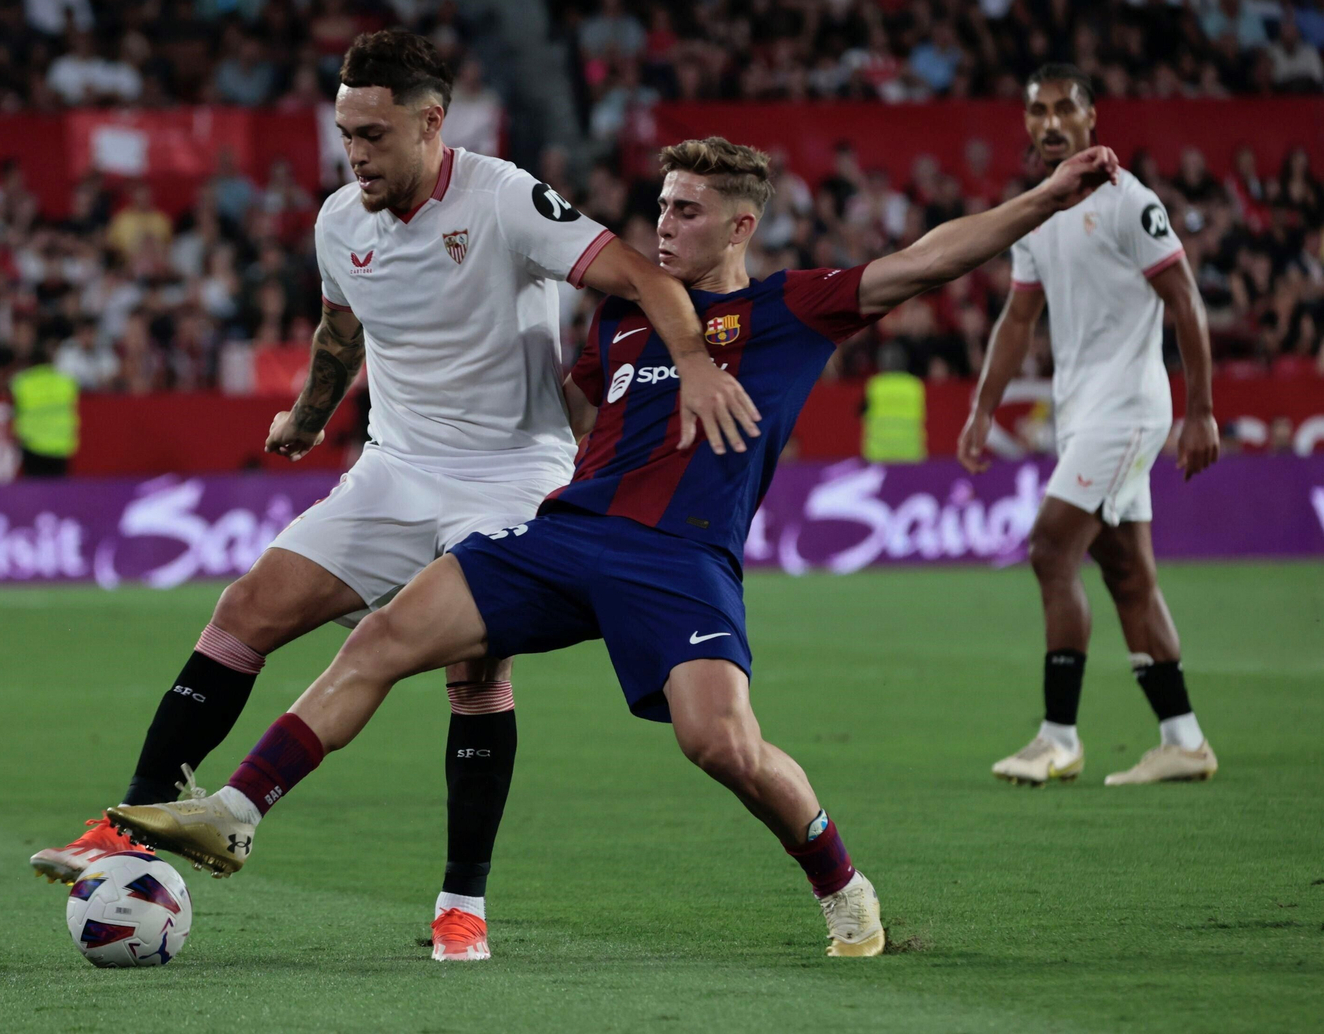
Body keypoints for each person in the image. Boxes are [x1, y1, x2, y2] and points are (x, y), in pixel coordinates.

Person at [105, 135, 1124, 958]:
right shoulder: (619, 329)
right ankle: (238, 806)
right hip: (566, 532)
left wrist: (1047, 193)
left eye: (687, 210)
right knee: (383, 636)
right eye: (661, 206)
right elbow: (574, 409)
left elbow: (934, 255)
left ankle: (841, 883)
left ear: (740, 224)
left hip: (678, 559)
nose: (664, 224)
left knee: (718, 744)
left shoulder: (789, 311)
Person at [32, 31, 760, 964]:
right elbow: (343, 330)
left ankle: (462, 905)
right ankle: (130, 824)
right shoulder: (340, 220)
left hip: (511, 473)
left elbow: (644, 276)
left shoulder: (505, 199)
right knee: (245, 608)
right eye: (345, 134)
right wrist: (307, 412)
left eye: (374, 135)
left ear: (431, 122)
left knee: (476, 674)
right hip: (394, 468)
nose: (357, 154)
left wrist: (694, 363)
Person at [957, 65, 1221, 787]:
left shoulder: (1130, 203)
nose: (1049, 122)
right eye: (1036, 110)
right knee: (1129, 574)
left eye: (1063, 109)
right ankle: (1184, 739)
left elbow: (1186, 299)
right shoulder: (1038, 213)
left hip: (1129, 408)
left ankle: (1059, 736)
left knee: (1049, 548)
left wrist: (1200, 409)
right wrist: (983, 407)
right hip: (1083, 414)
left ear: (1091, 117)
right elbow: (1018, 317)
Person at [10, 342, 80, 478]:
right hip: (60, 446)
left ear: (31, 362)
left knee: (35, 494)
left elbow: (14, 410)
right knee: (58, 495)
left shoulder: (21, 383)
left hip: (32, 446)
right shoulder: (66, 382)